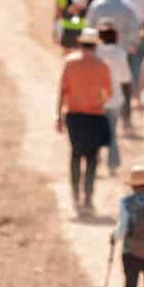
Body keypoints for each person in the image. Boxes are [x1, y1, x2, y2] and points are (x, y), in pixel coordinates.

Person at [57, 26, 114, 215]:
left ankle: (75, 194)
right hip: (95, 115)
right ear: (95, 45)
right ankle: (88, 197)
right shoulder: (102, 64)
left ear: (80, 44)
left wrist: (58, 115)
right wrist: (97, 101)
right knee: (92, 158)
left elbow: (62, 91)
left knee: (75, 154)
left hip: (74, 115)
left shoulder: (70, 63)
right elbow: (109, 93)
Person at [97, 22, 132, 174]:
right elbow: (126, 77)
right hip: (115, 98)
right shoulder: (121, 53)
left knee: (95, 131)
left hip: (97, 98)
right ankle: (112, 166)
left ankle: (95, 161)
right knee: (112, 132)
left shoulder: (96, 52)